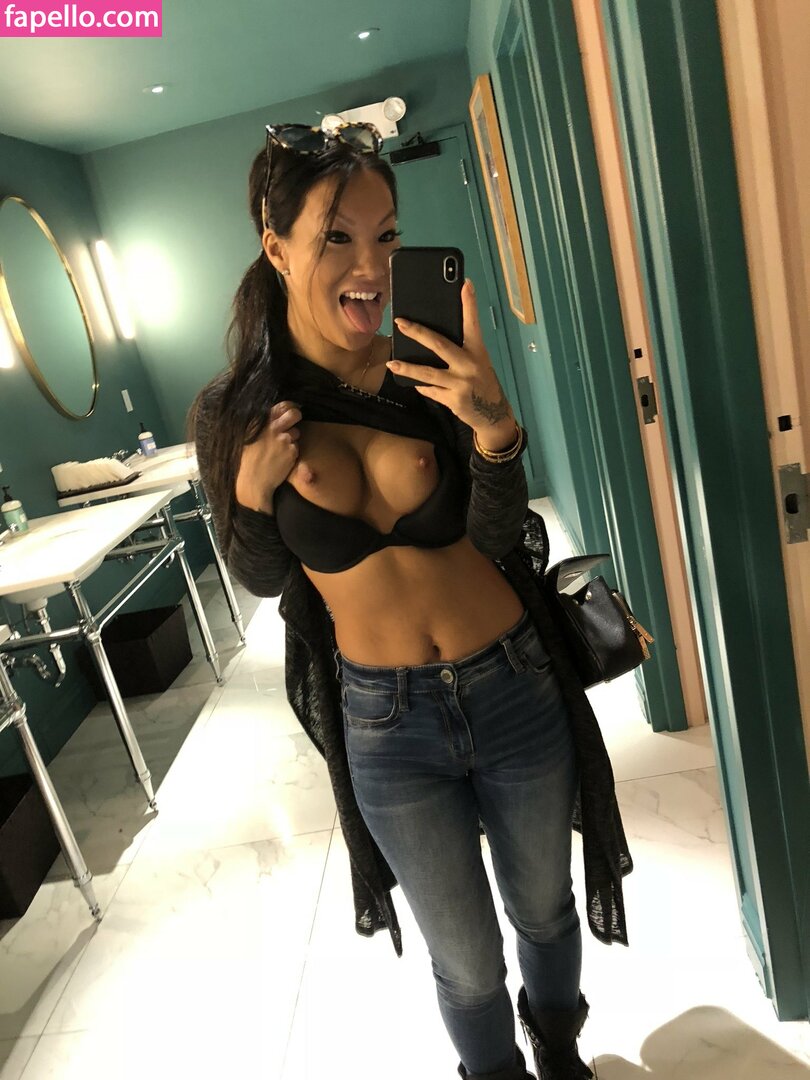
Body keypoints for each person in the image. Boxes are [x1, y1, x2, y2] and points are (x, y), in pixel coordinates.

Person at [190, 122, 633, 1080]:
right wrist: (251, 494)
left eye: (386, 236)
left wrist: (495, 428)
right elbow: (262, 577)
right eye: (337, 237)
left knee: (544, 908)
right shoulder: (235, 414)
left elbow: (494, 533)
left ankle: (560, 1051)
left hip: (512, 682)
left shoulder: (425, 369)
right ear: (275, 247)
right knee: (465, 960)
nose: (372, 268)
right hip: (387, 724)